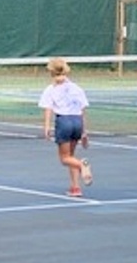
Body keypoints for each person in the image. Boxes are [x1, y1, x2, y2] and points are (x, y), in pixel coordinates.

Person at [38, 57, 93, 197]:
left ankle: (82, 165)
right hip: (77, 122)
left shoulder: (51, 89)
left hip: (64, 122)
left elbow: (48, 109)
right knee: (71, 155)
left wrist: (46, 127)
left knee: (64, 158)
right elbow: (82, 110)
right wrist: (84, 131)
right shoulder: (77, 88)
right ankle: (75, 187)